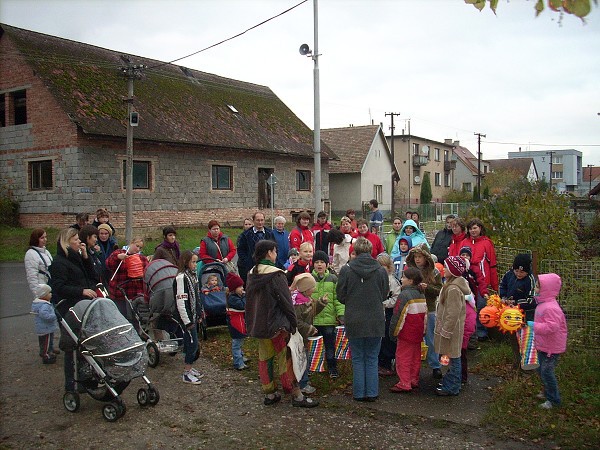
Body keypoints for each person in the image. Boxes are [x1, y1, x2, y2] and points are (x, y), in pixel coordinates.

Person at [245, 239, 318, 408]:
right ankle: (296, 394)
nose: (276, 254)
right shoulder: (276, 274)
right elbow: (285, 301)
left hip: (260, 325)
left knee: (265, 359)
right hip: (277, 325)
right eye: (275, 251)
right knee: (287, 359)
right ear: (269, 253)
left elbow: (249, 302)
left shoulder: (252, 273)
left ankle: (270, 393)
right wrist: (293, 323)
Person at [336, 237, 389, 402]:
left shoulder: (346, 270)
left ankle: (359, 393)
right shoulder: (381, 270)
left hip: (354, 319)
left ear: (355, 252)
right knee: (372, 357)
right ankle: (372, 392)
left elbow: (341, 295)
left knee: (358, 357)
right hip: (375, 319)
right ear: (371, 251)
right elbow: (385, 294)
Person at [49, 227, 98, 393]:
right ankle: (72, 384)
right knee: (72, 346)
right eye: (76, 240)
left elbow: (93, 277)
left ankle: (86, 379)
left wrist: (86, 258)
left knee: (87, 344)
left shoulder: (78, 259)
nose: (80, 242)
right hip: (69, 309)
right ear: (67, 242)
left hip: (84, 307)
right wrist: (81, 291)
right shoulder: (59, 263)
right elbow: (58, 287)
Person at [434, 256, 470, 396]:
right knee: (446, 358)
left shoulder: (453, 289)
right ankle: (449, 381)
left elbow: (453, 313)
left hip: (450, 332)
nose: (443, 269)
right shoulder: (449, 285)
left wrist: (446, 330)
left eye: (446, 267)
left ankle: (452, 386)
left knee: (452, 359)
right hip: (447, 330)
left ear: (453, 270)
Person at [405, 245, 443, 379]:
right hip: (414, 309)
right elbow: (404, 287)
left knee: (431, 339)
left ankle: (435, 365)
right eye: (415, 257)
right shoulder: (410, 271)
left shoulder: (435, 272)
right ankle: (412, 365)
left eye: (420, 257)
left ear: (426, 258)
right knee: (414, 338)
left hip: (430, 308)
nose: (417, 259)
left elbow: (439, 290)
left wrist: (428, 288)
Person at [389, 267, 427, 393]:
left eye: (404, 277)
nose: (401, 279)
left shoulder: (404, 295)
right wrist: (424, 330)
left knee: (403, 357)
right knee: (415, 357)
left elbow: (399, 316)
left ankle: (404, 382)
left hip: (406, 332)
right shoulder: (421, 293)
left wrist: (393, 332)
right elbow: (425, 314)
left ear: (410, 281)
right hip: (418, 331)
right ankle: (413, 379)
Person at [532, 273, 567, 409]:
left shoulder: (551, 308)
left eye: (538, 286)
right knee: (541, 370)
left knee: (546, 371)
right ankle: (547, 392)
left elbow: (552, 327)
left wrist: (533, 326)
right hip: (544, 344)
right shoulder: (542, 304)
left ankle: (554, 399)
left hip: (552, 347)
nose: (535, 288)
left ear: (546, 289)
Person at [460, 218, 498, 340]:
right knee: (468, 307)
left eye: (475, 228)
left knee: (481, 306)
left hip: (482, 281)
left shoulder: (487, 243)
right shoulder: (464, 242)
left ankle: (481, 332)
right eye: (471, 228)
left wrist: (494, 284)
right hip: (467, 281)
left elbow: (492, 264)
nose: (473, 231)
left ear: (480, 228)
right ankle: (469, 333)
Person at [290, 273, 327, 395]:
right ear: (306, 289)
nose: (314, 289)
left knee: (304, 359)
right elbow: (297, 322)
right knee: (301, 360)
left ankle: (303, 382)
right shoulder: (298, 304)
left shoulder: (306, 300)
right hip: (298, 337)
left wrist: (321, 303)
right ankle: (302, 384)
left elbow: (312, 313)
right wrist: (309, 328)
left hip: (303, 337)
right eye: (312, 288)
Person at [500, 254, 537, 370]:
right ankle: (516, 362)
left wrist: (516, 303)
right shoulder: (509, 275)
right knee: (513, 338)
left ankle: (527, 365)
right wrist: (503, 297)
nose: (519, 274)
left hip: (525, 314)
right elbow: (502, 286)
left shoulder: (530, 280)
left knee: (525, 339)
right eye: (517, 271)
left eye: (522, 272)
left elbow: (531, 300)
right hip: (510, 313)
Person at [311, 250, 344, 379]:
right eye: (317, 262)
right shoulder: (309, 278)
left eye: (322, 262)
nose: (319, 265)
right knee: (314, 347)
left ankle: (332, 368)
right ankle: (313, 368)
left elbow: (338, 299)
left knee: (330, 346)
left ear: (327, 264)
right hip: (313, 319)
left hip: (329, 320)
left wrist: (341, 314)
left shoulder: (333, 279)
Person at [173, 250, 204, 384]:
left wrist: (199, 312)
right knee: (193, 343)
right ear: (186, 262)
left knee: (190, 341)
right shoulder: (181, 278)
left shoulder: (192, 276)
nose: (195, 265)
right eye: (193, 262)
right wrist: (187, 321)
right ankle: (186, 372)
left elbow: (196, 296)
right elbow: (181, 301)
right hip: (186, 318)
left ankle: (190, 368)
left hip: (193, 315)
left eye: (196, 262)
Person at [105, 237, 149, 318]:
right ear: (131, 243)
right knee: (120, 316)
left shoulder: (142, 259)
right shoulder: (119, 253)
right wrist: (118, 257)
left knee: (135, 318)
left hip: (135, 294)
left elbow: (147, 273)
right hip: (119, 293)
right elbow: (108, 264)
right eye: (137, 246)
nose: (138, 249)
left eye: (140, 247)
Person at [377, 253, 402, 377]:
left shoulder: (392, 281)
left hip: (388, 311)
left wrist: (384, 304)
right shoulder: (376, 278)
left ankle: (387, 363)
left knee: (387, 338)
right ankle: (381, 362)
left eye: (384, 266)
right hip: (378, 312)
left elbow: (396, 298)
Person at [236, 211, 275, 283]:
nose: (260, 222)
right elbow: (241, 250)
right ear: (253, 221)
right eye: (258, 220)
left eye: (262, 220)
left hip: (266, 266)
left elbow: (274, 248)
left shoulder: (270, 233)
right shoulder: (245, 235)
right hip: (249, 267)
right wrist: (247, 262)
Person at [225, 272, 249, 371]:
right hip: (235, 323)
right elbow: (243, 305)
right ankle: (238, 362)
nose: (242, 289)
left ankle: (241, 356)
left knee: (240, 341)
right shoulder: (233, 299)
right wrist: (245, 297)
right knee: (237, 343)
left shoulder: (237, 296)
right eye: (240, 287)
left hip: (240, 321)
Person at [30, 283, 59, 364]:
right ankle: (46, 354)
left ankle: (49, 350)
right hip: (46, 328)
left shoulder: (39, 304)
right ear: (44, 295)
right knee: (46, 341)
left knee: (47, 340)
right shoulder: (44, 305)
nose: (51, 294)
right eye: (49, 293)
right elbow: (45, 315)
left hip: (45, 327)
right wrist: (54, 316)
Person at [24, 228, 53, 300]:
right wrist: (37, 292)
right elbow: (31, 276)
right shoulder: (31, 254)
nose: (45, 239)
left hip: (49, 286)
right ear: (36, 239)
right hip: (41, 288)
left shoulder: (46, 251)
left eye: (45, 237)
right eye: (42, 238)